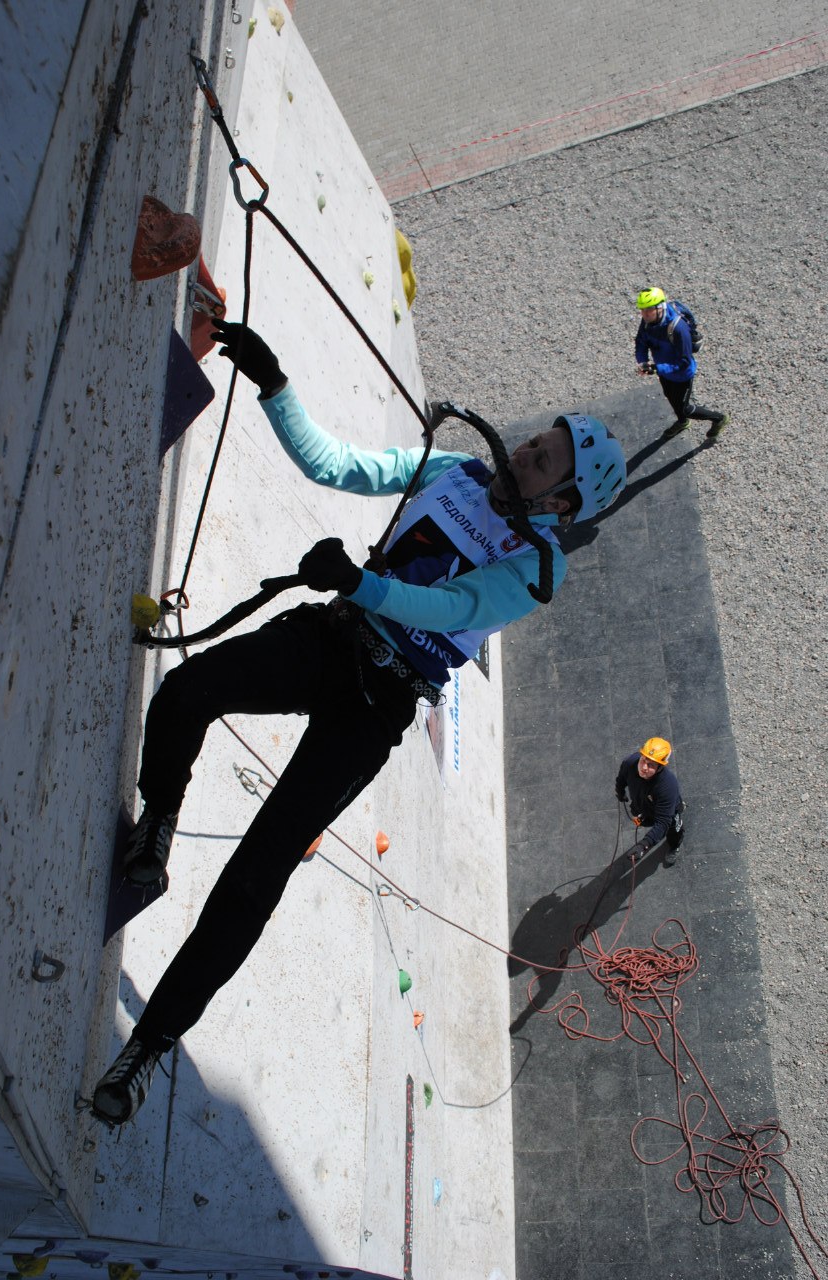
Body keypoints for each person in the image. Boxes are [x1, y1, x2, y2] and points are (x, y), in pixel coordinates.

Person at [91, 321, 627, 1126]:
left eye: (543, 460)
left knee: (258, 873)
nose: (521, 453)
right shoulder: (450, 469)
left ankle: (150, 1046)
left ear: (563, 502)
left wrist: (358, 582)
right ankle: (158, 826)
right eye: (533, 442)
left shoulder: (534, 572)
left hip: (377, 705)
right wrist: (274, 385)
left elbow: (450, 608)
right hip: (332, 640)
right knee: (188, 691)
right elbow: (337, 464)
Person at [634, 287, 729, 441]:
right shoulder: (648, 321)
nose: (644, 314)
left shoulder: (678, 329)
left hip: (682, 375)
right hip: (664, 371)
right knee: (670, 396)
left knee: (685, 408)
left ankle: (719, 418)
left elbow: (684, 362)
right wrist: (643, 361)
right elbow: (641, 341)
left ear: (660, 308)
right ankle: (683, 422)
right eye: (642, 310)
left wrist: (658, 368)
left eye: (649, 310)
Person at [616, 737, 685, 867]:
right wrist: (620, 792)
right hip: (642, 806)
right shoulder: (629, 763)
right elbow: (621, 779)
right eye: (643, 760)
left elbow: (663, 822)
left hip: (667, 812)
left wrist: (644, 845)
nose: (644, 767)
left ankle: (675, 845)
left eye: (651, 765)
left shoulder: (667, 786)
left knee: (674, 829)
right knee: (645, 820)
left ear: (660, 768)